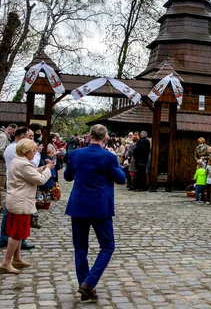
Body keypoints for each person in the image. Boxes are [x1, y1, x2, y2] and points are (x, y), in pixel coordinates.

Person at [64, 124, 126, 302]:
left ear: (89, 136)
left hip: (79, 206)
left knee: (81, 249)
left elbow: (68, 176)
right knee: (107, 246)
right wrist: (118, 164)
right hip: (100, 207)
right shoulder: (108, 157)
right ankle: (89, 283)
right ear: (105, 138)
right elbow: (121, 179)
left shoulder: (76, 154)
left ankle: (84, 283)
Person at [0, 139, 54, 274]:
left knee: (17, 232)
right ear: (27, 151)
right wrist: (47, 170)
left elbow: (31, 174)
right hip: (21, 202)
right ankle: (6, 262)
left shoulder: (18, 161)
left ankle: (17, 258)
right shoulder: (24, 164)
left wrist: (41, 169)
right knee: (17, 234)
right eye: (33, 151)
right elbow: (40, 179)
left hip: (15, 200)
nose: (34, 154)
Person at [0, 127, 37, 249]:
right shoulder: (15, 152)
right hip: (19, 187)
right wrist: (45, 168)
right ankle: (7, 239)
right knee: (13, 218)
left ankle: (10, 240)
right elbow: (34, 166)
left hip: (15, 184)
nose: (30, 139)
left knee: (10, 215)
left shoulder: (14, 150)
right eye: (28, 136)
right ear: (22, 137)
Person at [0, 124, 18, 213]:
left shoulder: (4, 136)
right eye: (13, 132)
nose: (13, 134)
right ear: (9, 129)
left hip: (0, 165)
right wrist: (7, 156)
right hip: (0, 166)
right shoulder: (3, 137)